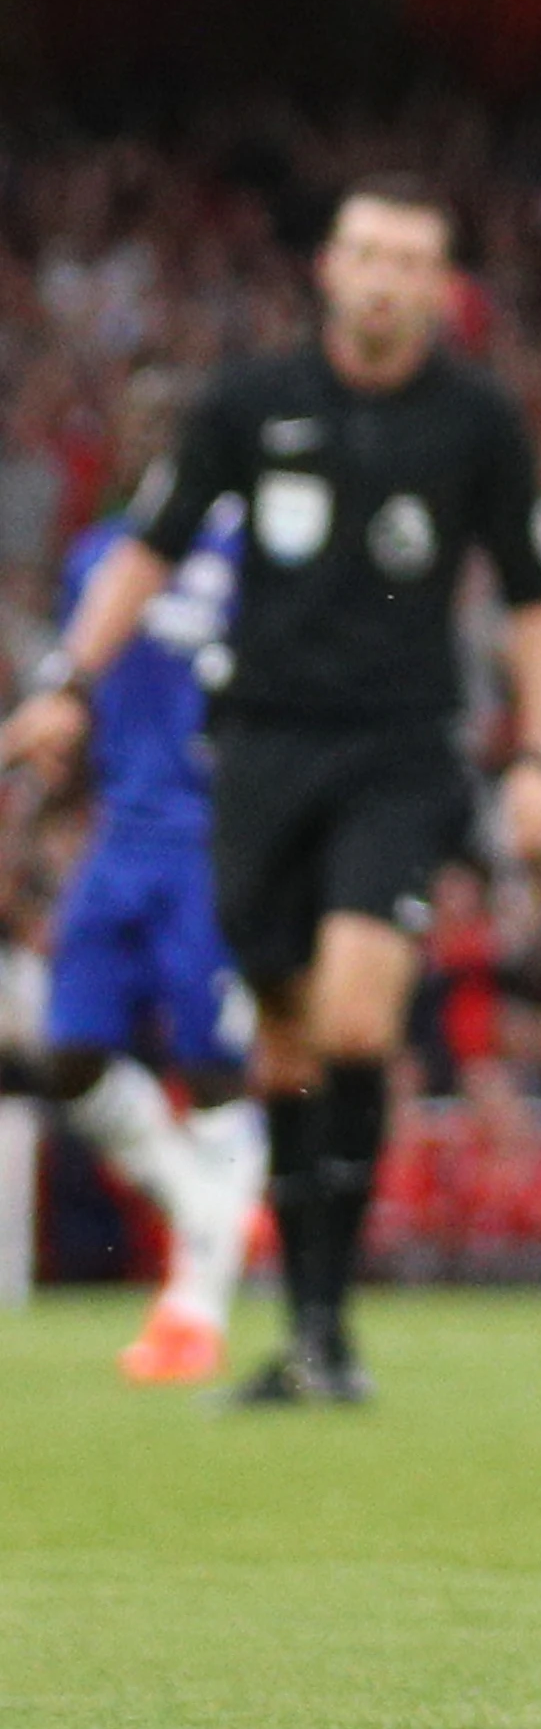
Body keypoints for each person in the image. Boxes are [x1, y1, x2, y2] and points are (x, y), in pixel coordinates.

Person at [9, 177, 541, 1405]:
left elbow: (536, 594)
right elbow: (148, 552)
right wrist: (66, 683)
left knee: (360, 1021)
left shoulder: (477, 422)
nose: (382, 278)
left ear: (440, 286)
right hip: (260, 752)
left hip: (398, 752)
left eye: (409, 260)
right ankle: (307, 1335)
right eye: (364, 253)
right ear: (329, 267)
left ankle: (325, 1327)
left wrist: (537, 760)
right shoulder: (250, 406)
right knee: (282, 1044)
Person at [3, 484, 269, 1382]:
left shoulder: (256, 553)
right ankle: (202, 1200)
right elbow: (86, 692)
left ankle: (195, 1308)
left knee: (213, 1068)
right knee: (70, 1055)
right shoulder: (100, 555)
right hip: (121, 832)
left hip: (214, 835)